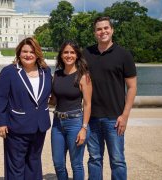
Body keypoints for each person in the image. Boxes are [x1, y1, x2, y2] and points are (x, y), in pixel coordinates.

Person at [83, 16, 137, 180]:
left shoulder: (124, 55)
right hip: (92, 118)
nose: (103, 32)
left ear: (112, 30)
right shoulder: (86, 53)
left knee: (118, 160)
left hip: (115, 117)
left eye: (106, 28)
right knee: (94, 160)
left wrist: (125, 115)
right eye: (99, 29)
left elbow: (132, 87)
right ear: (94, 33)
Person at [0, 37, 52, 180]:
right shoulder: (10, 71)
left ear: (37, 53)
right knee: (16, 165)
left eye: (32, 52)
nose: (28, 55)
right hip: (17, 126)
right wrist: (1, 123)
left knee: (34, 162)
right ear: (19, 53)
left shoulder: (45, 71)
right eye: (25, 51)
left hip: (39, 126)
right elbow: (0, 98)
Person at [50, 40, 92, 180]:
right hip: (57, 123)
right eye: (66, 52)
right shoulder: (57, 75)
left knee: (76, 164)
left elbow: (87, 104)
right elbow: (53, 101)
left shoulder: (83, 76)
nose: (69, 55)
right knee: (58, 163)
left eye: (72, 52)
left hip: (75, 122)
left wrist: (84, 128)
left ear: (77, 55)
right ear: (61, 55)